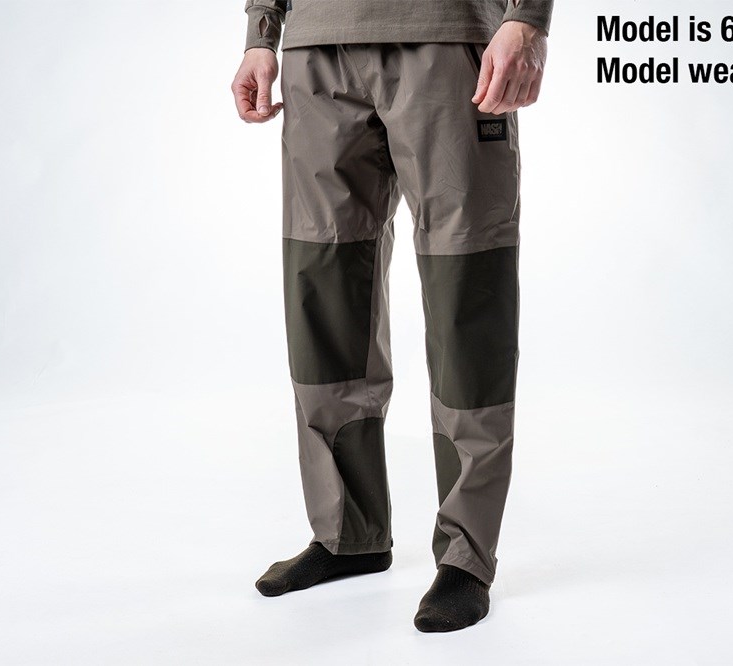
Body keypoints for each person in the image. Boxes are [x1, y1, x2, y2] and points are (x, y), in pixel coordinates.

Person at [230, 0, 552, 633]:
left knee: (466, 291)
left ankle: (466, 556)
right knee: (322, 290)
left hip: (446, 35)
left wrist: (529, 17)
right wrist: (261, 32)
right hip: (316, 47)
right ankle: (348, 533)